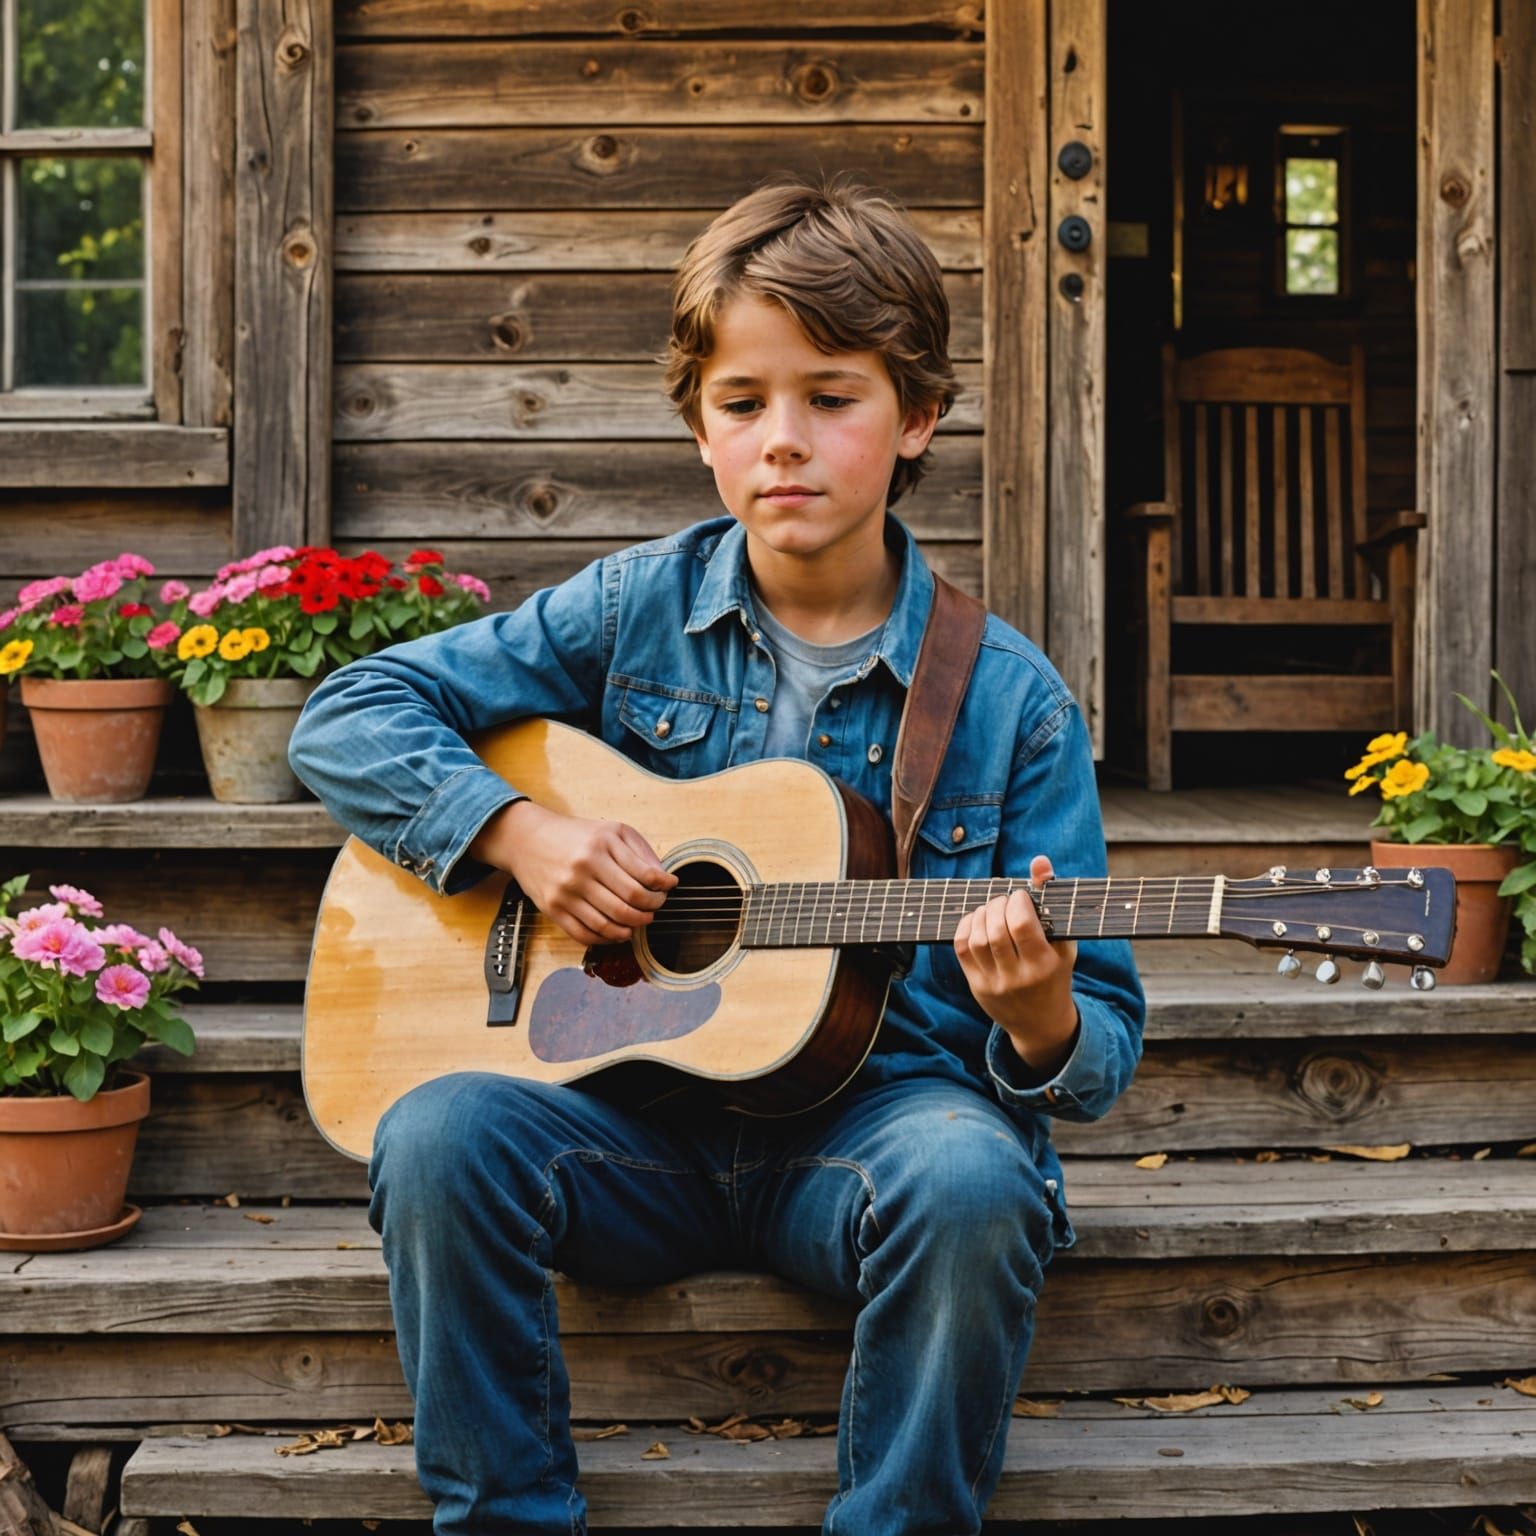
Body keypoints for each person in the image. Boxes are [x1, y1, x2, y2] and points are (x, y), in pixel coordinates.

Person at [288, 171, 1144, 1536]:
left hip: (874, 1142)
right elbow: (350, 714)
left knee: (980, 1178)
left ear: (917, 416)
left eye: (831, 397)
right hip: (625, 1125)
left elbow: (1099, 1039)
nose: (783, 440)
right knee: (440, 1127)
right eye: (743, 404)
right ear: (700, 428)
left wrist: (1037, 1018)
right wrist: (523, 835)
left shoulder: (1008, 698)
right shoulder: (636, 606)